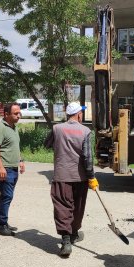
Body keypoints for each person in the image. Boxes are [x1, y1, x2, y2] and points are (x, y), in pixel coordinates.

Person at [44, 102, 97, 257]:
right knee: (78, 206)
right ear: (79, 114)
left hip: (61, 175)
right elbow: (87, 157)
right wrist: (91, 177)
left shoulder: (56, 128)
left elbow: (47, 144)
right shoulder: (85, 131)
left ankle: (66, 239)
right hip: (79, 177)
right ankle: (73, 233)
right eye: (82, 113)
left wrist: (59, 144)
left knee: (62, 206)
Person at [0, 103, 25, 236]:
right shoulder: (0, 127)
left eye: (19, 113)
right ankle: (1, 225)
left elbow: (15, 146)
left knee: (6, 196)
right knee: (7, 196)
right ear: (6, 114)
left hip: (13, 168)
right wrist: (0, 167)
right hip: (4, 169)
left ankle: (3, 222)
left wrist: (21, 160)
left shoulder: (13, 127)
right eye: (15, 113)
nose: (19, 115)